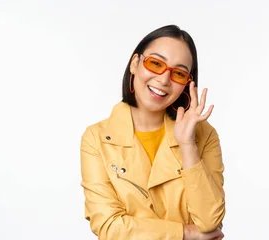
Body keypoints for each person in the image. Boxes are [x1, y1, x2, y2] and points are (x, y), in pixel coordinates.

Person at [79, 25, 226, 240]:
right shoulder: (97, 139)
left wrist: (187, 145)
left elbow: (210, 221)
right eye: (156, 64)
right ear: (135, 64)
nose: (164, 80)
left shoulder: (204, 135)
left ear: (187, 83)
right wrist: (184, 233)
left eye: (178, 73)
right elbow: (109, 226)